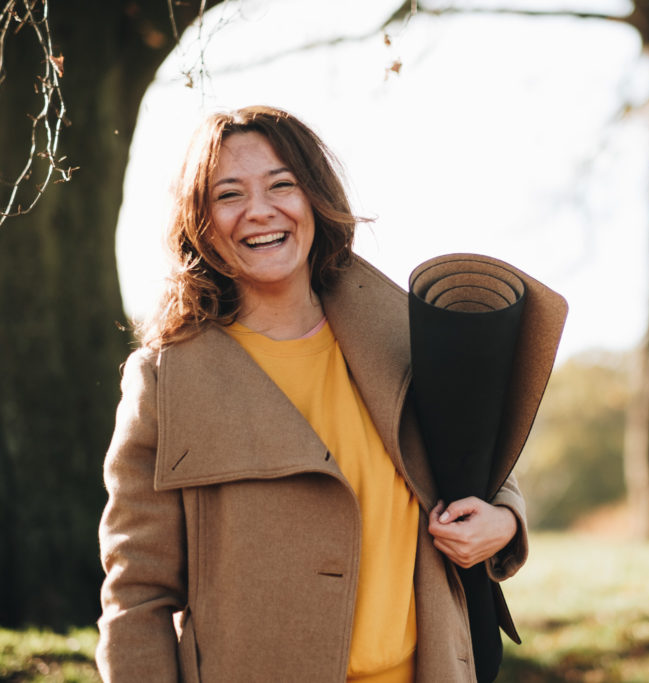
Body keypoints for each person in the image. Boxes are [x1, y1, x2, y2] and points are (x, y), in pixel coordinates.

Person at [96, 105, 557, 682]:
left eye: (281, 184)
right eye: (228, 194)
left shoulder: (406, 340)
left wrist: (505, 520)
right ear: (201, 222)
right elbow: (137, 595)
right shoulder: (165, 381)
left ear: (315, 197)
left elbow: (482, 460)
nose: (260, 211)